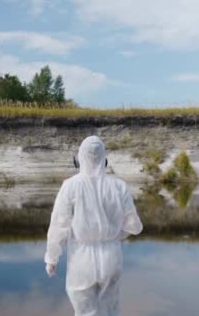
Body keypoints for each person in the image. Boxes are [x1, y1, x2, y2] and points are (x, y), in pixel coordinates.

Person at [44, 135, 143, 316]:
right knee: (110, 310)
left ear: (78, 159)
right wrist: (114, 237)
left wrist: (52, 259)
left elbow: (59, 225)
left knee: (84, 312)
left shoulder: (70, 186)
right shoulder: (119, 186)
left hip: (81, 260)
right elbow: (134, 226)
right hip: (112, 257)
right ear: (104, 160)